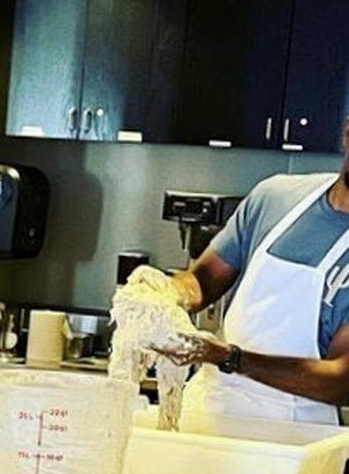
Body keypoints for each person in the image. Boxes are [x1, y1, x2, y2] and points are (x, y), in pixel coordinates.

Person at [143, 122, 349, 424]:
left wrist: (229, 357)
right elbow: (202, 281)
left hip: (295, 438)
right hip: (208, 412)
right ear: (346, 133)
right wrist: (162, 294)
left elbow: (340, 380)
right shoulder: (275, 198)